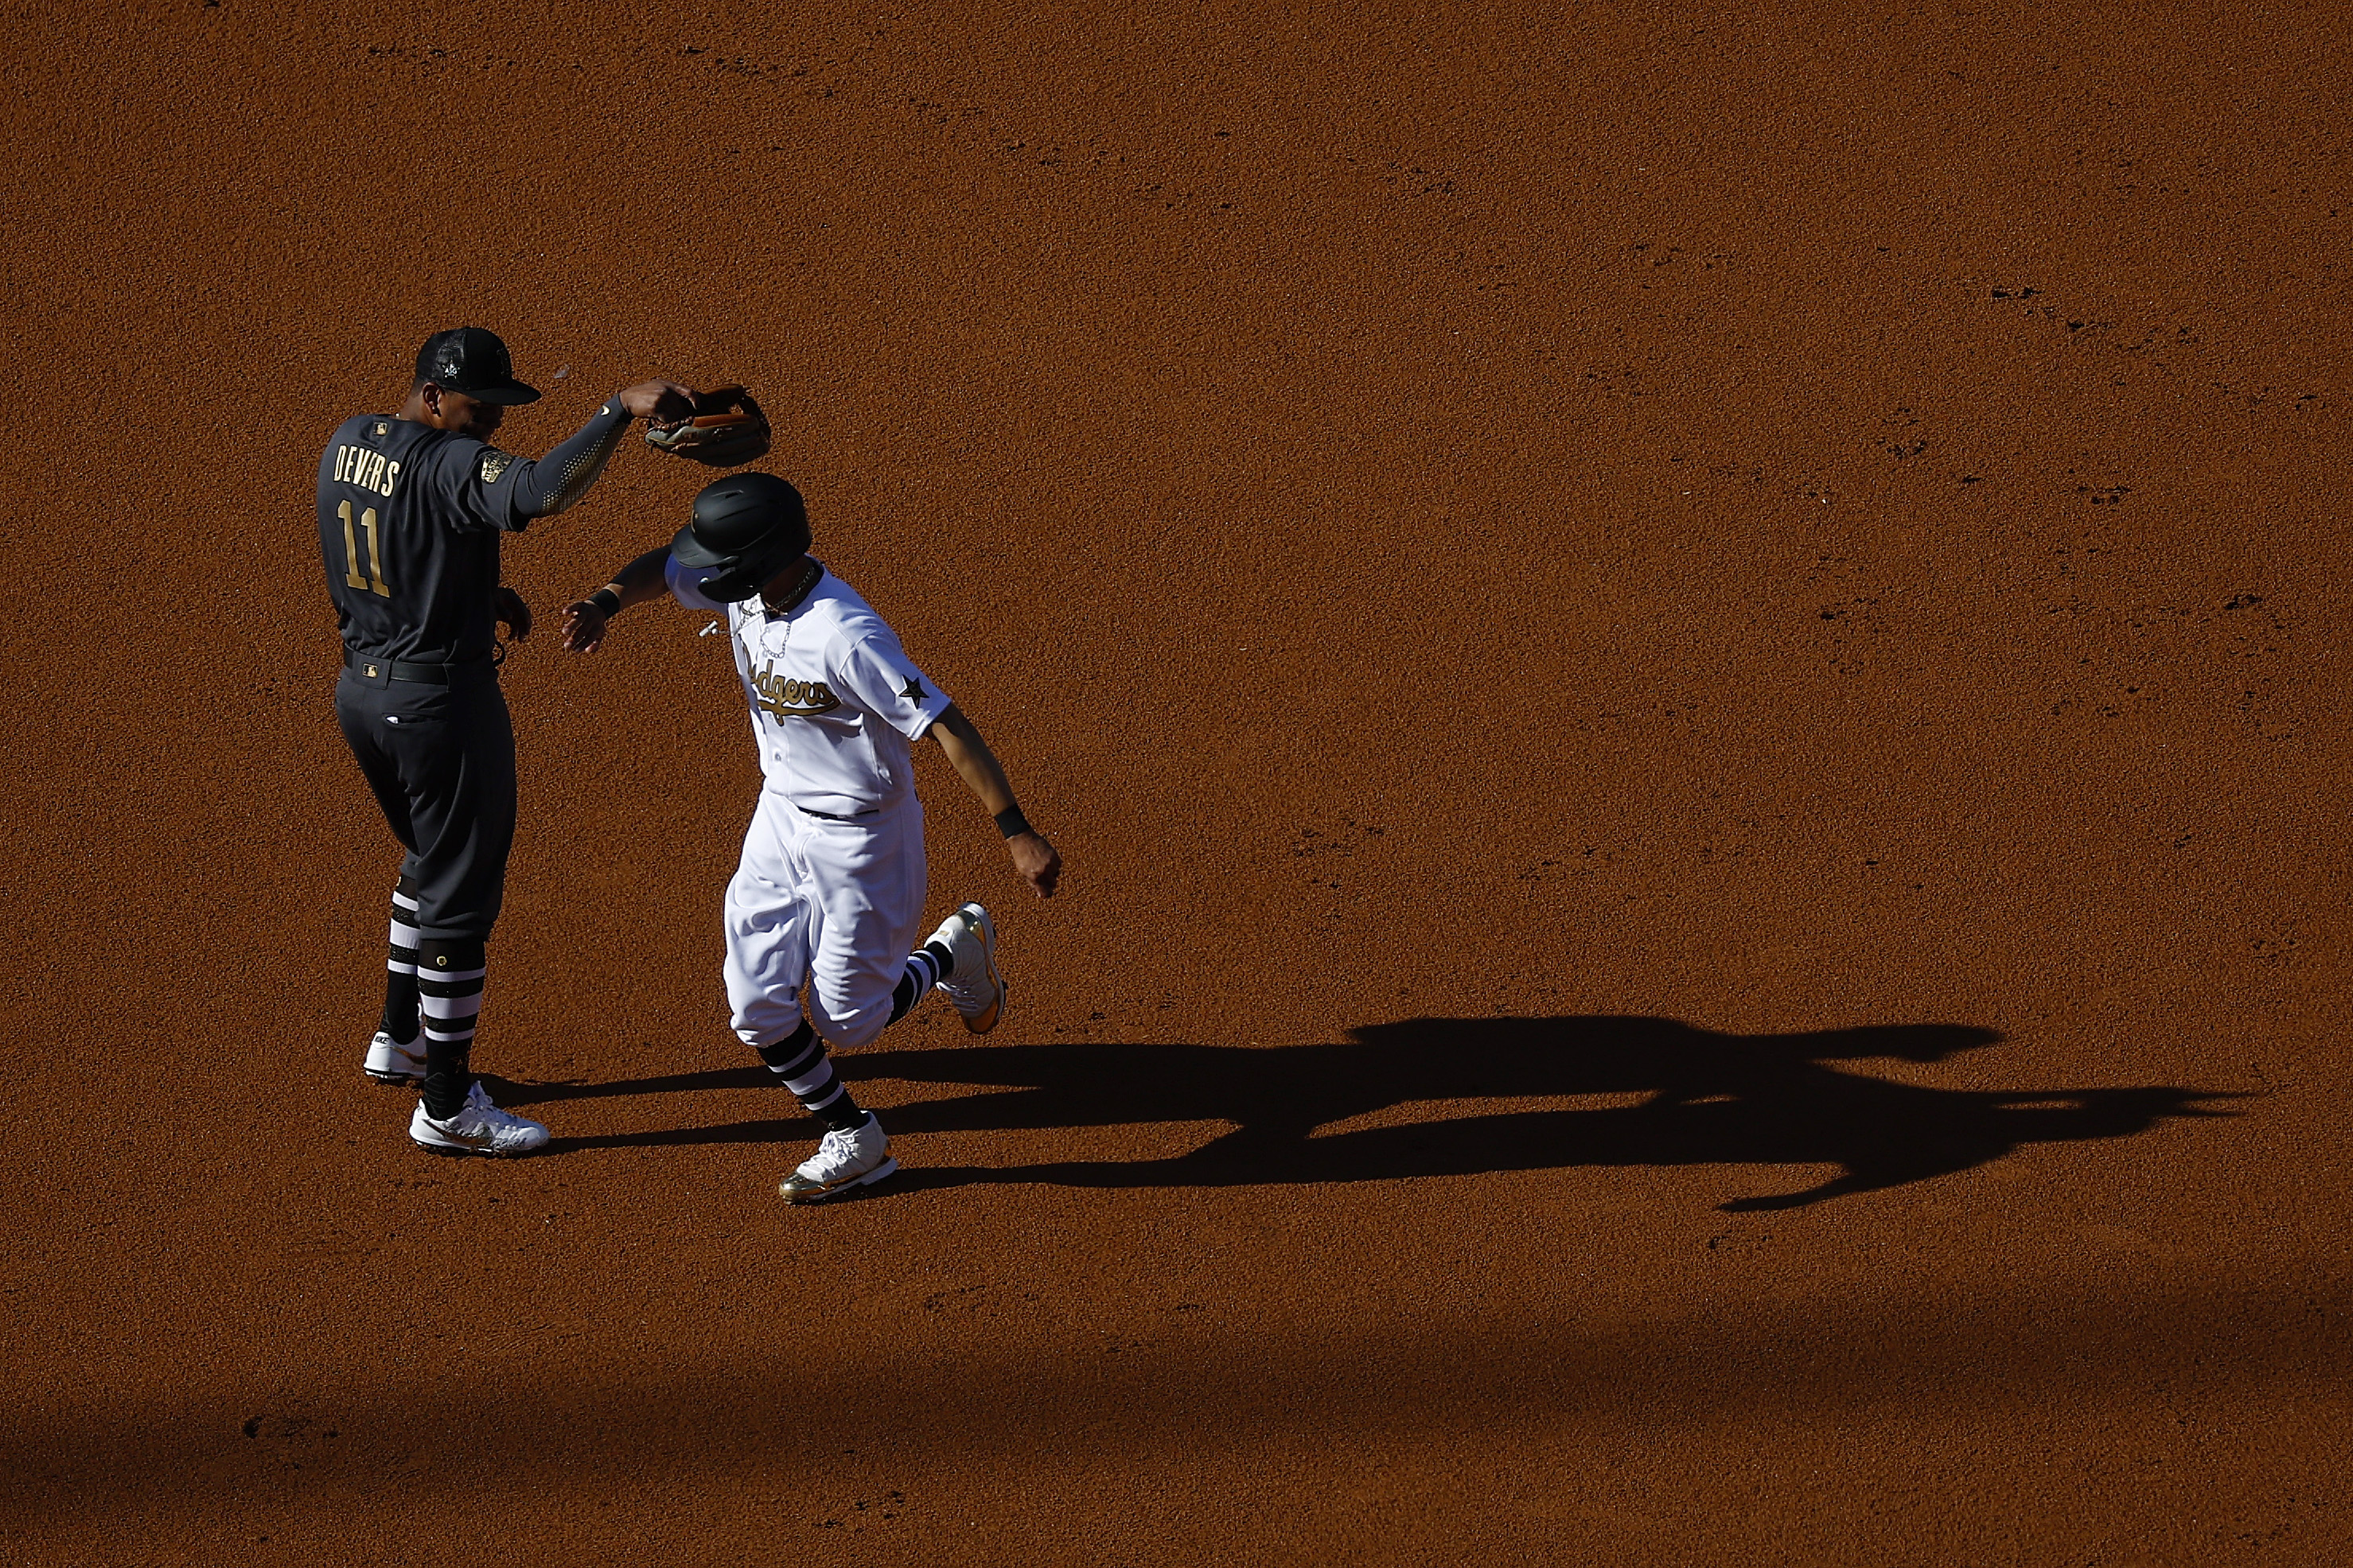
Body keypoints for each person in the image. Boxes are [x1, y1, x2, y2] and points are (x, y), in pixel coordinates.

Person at [560, 472, 1062, 1201]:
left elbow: (946, 724)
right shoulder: (746, 588)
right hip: (780, 817)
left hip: (865, 842)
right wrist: (607, 600)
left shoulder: (845, 633)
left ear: (760, 558)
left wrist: (1016, 830)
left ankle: (953, 949)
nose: (704, 574)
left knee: (848, 1022)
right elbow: (663, 573)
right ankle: (853, 1135)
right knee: (755, 1004)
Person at [320, 325, 694, 1157]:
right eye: (477, 409)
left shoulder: (349, 441)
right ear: (430, 397)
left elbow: (387, 547)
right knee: (460, 899)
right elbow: (541, 491)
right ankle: (447, 1106)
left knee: (429, 857)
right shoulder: (448, 463)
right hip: (440, 709)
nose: (490, 424)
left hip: (363, 694)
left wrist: (473, 593)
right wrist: (615, 411)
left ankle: (400, 1037)